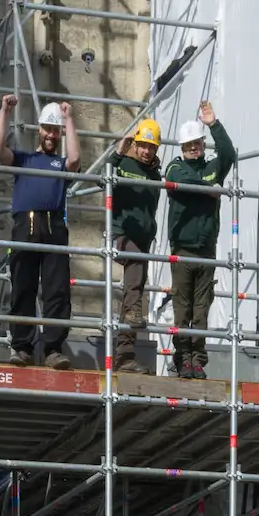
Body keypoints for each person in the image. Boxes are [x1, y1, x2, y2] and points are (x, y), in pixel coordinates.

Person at [0, 93, 82, 361]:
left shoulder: (60, 163)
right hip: (25, 224)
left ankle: (53, 349)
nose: (52, 135)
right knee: (23, 285)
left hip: (54, 225)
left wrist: (69, 120)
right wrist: (5, 112)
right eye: (49, 129)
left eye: (56, 132)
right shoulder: (24, 159)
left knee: (56, 289)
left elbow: (75, 160)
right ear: (40, 129)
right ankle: (22, 346)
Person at [162, 105, 234, 376]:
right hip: (182, 249)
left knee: (201, 309)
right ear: (182, 146)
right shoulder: (174, 167)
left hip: (206, 249)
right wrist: (211, 190)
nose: (194, 148)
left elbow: (229, 154)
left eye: (197, 143)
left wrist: (214, 124)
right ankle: (182, 358)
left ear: (203, 143)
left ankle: (197, 360)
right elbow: (181, 182)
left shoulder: (212, 167)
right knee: (182, 307)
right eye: (189, 144)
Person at [101, 112, 166, 369]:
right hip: (121, 236)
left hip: (143, 240)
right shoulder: (125, 166)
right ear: (135, 145)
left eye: (151, 148)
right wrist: (119, 151)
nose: (146, 152)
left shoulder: (155, 176)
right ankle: (125, 347)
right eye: (143, 146)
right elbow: (103, 179)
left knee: (134, 287)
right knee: (135, 282)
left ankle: (125, 354)